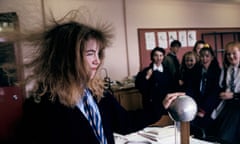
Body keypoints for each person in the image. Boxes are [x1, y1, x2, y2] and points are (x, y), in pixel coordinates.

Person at [11, 16, 132, 144]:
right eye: (90, 53)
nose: (97, 60)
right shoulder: (42, 106)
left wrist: (155, 107)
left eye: (98, 53)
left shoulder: (98, 92)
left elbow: (124, 122)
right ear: (67, 58)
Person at [135, 47, 175, 126]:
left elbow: (172, 87)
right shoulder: (146, 70)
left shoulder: (167, 71)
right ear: (152, 57)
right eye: (156, 55)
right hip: (150, 104)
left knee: (165, 126)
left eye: (161, 55)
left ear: (163, 57)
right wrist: (146, 77)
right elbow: (139, 87)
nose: (158, 58)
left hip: (164, 103)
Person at [211, 41, 240, 144]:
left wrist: (233, 95)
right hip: (226, 106)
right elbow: (221, 87)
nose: (231, 56)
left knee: (227, 136)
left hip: (237, 108)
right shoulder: (226, 69)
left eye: (234, 53)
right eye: (228, 54)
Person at [190, 45, 221, 138]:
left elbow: (215, 93)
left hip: (210, 108)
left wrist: (203, 110)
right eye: (202, 56)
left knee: (210, 134)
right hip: (196, 107)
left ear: (212, 57)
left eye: (207, 56)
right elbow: (191, 89)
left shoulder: (217, 72)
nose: (204, 59)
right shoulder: (196, 70)